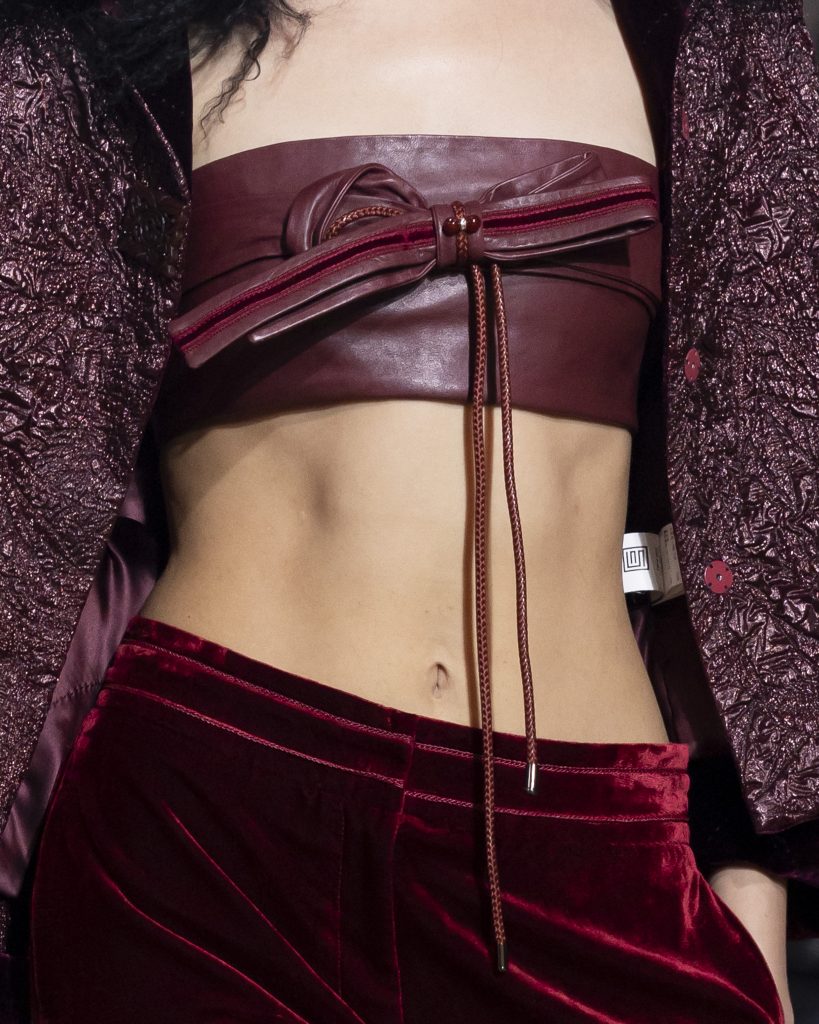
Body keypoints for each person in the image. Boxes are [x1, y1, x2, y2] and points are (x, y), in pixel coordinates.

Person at [1, 1, 818, 1021]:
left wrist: (752, 889)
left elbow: (772, 493)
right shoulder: (118, 28)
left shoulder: (704, 28)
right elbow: (28, 466)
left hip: (584, 837)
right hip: (207, 822)